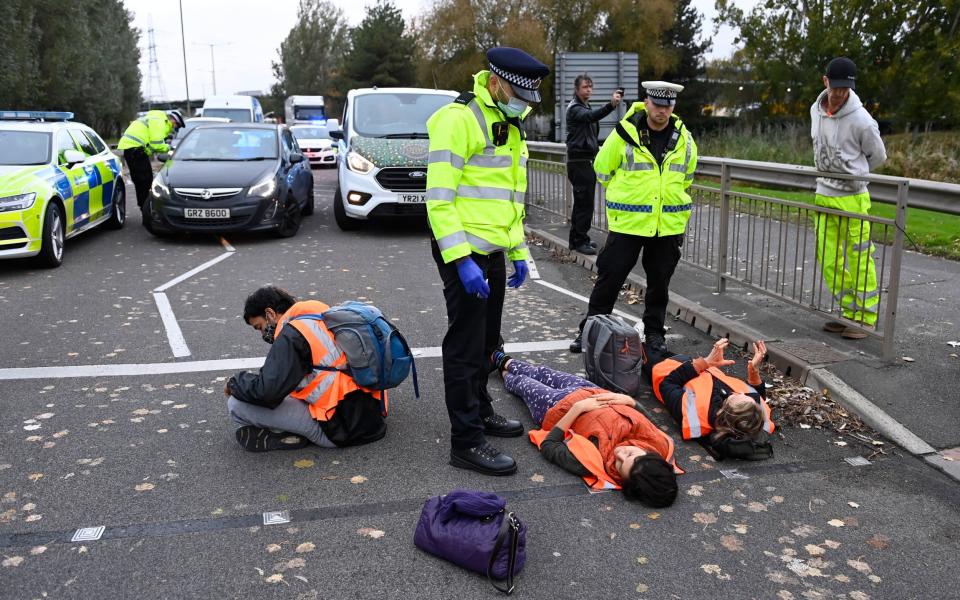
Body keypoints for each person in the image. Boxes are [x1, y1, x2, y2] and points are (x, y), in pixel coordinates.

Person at [425, 47, 550, 476]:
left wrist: (517, 252)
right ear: (496, 82)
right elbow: (439, 200)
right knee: (464, 345)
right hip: (463, 250)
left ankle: (480, 409)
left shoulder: (509, 123)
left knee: (487, 340)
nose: (525, 104)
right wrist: (461, 261)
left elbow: (509, 201)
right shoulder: (458, 120)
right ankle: (466, 441)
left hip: (493, 251)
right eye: (520, 94)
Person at [570, 81, 698, 354]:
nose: (662, 110)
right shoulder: (624, 133)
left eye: (668, 105)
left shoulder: (684, 138)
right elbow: (603, 170)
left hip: (665, 226)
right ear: (647, 102)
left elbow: (687, 176)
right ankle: (590, 331)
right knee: (609, 279)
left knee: (659, 286)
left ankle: (654, 334)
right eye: (657, 104)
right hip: (628, 224)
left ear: (672, 107)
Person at [491, 351, 679, 507]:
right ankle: (498, 358)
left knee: (522, 383)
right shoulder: (659, 445)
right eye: (630, 455)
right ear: (650, 455)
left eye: (620, 465)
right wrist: (631, 402)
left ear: (623, 482)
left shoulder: (593, 464)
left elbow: (550, 446)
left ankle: (501, 372)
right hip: (590, 390)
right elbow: (650, 423)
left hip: (556, 406)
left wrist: (577, 409)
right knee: (540, 372)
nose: (620, 454)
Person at [224, 286, 387, 452]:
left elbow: (267, 391)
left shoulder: (292, 334)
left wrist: (234, 383)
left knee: (236, 405)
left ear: (270, 313)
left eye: (259, 327)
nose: (262, 334)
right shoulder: (323, 314)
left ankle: (285, 434)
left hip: (341, 430)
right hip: (372, 416)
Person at [811, 57, 887, 339]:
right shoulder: (815, 110)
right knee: (829, 258)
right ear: (825, 81)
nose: (840, 93)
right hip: (824, 195)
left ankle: (864, 318)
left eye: (846, 88)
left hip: (853, 197)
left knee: (858, 259)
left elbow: (878, 156)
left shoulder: (862, 120)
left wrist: (855, 173)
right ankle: (847, 312)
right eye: (836, 87)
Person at [646, 339, 776, 460]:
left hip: (663, 366)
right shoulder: (747, 416)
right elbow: (756, 398)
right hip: (691, 364)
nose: (742, 393)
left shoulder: (694, 413)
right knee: (656, 339)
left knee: (638, 343)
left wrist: (706, 362)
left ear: (725, 408)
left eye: (738, 396)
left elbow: (668, 384)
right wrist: (754, 371)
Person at [565, 74, 622, 255]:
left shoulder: (583, 106)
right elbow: (591, 116)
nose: (588, 90)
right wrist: (611, 105)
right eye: (585, 87)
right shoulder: (576, 109)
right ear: (577, 89)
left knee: (582, 203)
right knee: (584, 204)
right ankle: (580, 241)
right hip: (580, 161)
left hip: (584, 160)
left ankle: (578, 239)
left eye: (590, 87)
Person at [117, 110, 183, 214]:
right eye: (176, 127)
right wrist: (170, 148)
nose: (174, 130)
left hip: (134, 150)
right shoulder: (160, 122)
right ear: (173, 121)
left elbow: (150, 146)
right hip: (135, 151)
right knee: (144, 182)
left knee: (143, 182)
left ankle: (145, 209)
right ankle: (146, 211)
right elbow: (156, 145)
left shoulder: (156, 119)